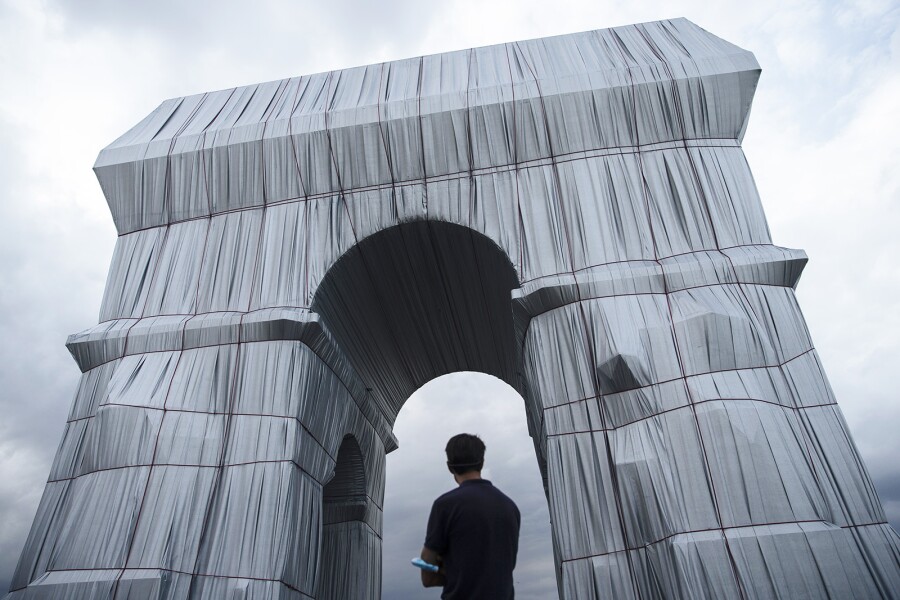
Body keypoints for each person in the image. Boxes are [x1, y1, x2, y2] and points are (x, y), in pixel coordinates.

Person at [419, 433, 521, 599]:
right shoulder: (510, 507)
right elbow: (508, 565)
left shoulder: (444, 506)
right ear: (482, 462)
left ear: (450, 467)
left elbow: (427, 571)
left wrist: (448, 571)